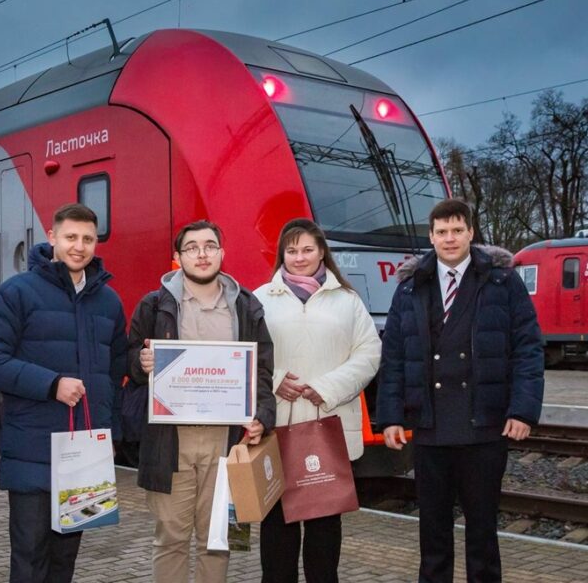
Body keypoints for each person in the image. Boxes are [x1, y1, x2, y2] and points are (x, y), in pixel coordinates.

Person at [377, 199, 544, 583]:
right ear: (431, 237)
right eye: (441, 232)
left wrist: (522, 410)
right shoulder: (410, 287)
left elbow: (528, 349)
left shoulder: (504, 283)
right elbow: (395, 356)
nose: (449, 239)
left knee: (482, 533)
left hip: (485, 426)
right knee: (432, 535)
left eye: (457, 230)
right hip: (430, 428)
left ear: (471, 232)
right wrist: (390, 416)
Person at [0, 203, 127, 583]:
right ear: (52, 238)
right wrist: (51, 383)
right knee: (29, 558)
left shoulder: (109, 301)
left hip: (83, 455)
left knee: (64, 560)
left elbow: (114, 373)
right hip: (32, 449)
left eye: (88, 239)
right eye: (71, 237)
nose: (79, 246)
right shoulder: (16, 292)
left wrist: (109, 435)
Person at [128, 220, 275, 583]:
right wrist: (141, 363)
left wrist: (262, 417)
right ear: (178, 257)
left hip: (226, 442)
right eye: (192, 247)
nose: (202, 253)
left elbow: (263, 370)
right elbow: (128, 357)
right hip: (170, 440)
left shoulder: (246, 305)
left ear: (222, 253)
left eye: (210, 245)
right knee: (171, 538)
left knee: (218, 538)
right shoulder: (155, 304)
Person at [253, 218, 381, 583]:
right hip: (276, 425)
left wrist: (325, 387)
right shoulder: (261, 297)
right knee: (277, 523)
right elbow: (247, 353)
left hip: (329, 424)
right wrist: (277, 381)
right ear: (282, 254)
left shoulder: (348, 301)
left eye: (307, 249)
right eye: (291, 251)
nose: (299, 257)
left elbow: (369, 353)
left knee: (325, 524)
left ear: (322, 251)